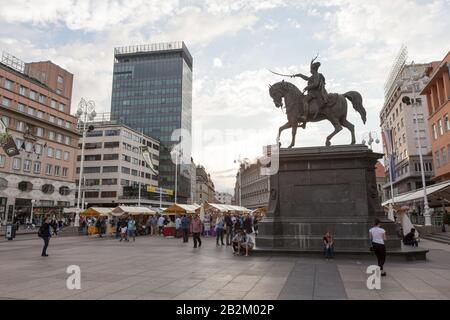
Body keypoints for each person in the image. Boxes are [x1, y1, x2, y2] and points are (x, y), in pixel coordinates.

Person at [290, 56, 328, 126]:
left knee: (305, 100)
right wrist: (298, 75)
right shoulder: (313, 76)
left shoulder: (316, 75)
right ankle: (304, 122)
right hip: (312, 92)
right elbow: (306, 78)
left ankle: (304, 116)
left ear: (314, 69)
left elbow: (316, 84)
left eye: (311, 69)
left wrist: (307, 87)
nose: (310, 70)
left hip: (315, 93)